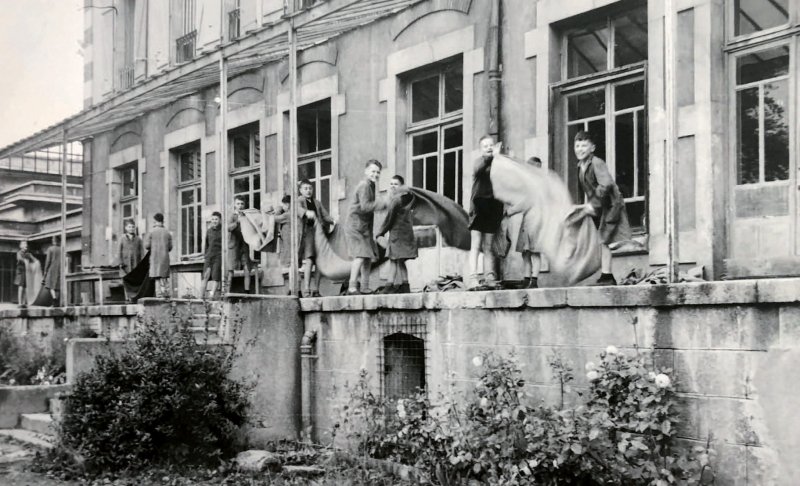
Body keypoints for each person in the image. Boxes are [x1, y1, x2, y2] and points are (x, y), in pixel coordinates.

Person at [572, 131, 631, 285]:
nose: (580, 149)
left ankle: (607, 275)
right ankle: (606, 275)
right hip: (600, 206)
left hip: (611, 205)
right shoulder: (580, 166)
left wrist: (593, 204)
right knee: (601, 240)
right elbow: (588, 189)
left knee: (604, 239)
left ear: (592, 148)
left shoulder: (597, 162)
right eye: (577, 146)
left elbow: (606, 184)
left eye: (584, 146)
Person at [345, 159, 387, 295]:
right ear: (366, 171)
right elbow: (365, 206)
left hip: (363, 227)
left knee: (367, 257)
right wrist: (383, 204)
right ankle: (352, 287)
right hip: (356, 226)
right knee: (360, 255)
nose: (375, 174)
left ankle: (364, 287)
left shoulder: (371, 185)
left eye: (378, 172)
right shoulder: (364, 185)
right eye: (372, 171)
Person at [468, 134, 504, 290]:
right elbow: (479, 169)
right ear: (480, 149)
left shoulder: (499, 164)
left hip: (493, 207)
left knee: (489, 246)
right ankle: (472, 277)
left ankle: (489, 276)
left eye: (491, 145)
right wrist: (493, 157)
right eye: (485, 146)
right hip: (479, 206)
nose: (489, 147)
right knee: (476, 244)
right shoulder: (479, 162)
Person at [376, 175, 417, 294]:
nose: (393, 186)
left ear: (401, 186)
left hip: (397, 234)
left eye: (396, 184)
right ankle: (405, 285)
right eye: (391, 184)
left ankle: (389, 286)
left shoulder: (396, 199)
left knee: (394, 259)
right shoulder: (407, 198)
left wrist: (380, 232)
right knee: (400, 260)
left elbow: (389, 219)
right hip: (405, 233)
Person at [297, 179, 334, 298]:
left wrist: (333, 220)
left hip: (319, 233)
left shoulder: (317, 202)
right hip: (307, 233)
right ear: (301, 190)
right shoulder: (299, 200)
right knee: (309, 260)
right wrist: (307, 212)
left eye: (310, 188)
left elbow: (325, 215)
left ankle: (316, 290)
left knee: (319, 262)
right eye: (306, 188)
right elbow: (298, 210)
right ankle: (306, 290)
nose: (308, 191)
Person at [516, 157, 543, 289]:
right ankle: (527, 279)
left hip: (536, 221)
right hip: (526, 221)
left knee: (535, 251)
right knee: (525, 252)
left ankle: (534, 279)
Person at [227, 196, 252, 294]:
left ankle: (247, 291)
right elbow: (228, 228)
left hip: (244, 244)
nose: (240, 206)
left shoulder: (247, 215)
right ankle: (227, 292)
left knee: (247, 267)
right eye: (238, 204)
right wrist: (237, 222)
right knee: (230, 269)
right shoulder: (232, 215)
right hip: (233, 245)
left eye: (242, 204)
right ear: (234, 204)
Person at [144, 213, 173, 298]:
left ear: (156, 221)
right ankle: (166, 293)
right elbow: (170, 247)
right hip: (164, 258)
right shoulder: (167, 233)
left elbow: (147, 246)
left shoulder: (151, 232)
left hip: (155, 258)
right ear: (162, 221)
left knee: (156, 277)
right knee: (164, 277)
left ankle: (159, 295)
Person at [201, 211, 223, 300]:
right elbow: (206, 244)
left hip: (218, 256)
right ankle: (201, 297)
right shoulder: (209, 231)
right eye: (213, 219)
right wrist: (206, 255)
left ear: (220, 220)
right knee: (205, 276)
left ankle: (211, 296)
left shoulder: (223, 231)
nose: (214, 221)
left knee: (215, 276)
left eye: (216, 219)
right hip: (209, 257)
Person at [14, 240, 35, 307]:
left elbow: (33, 260)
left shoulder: (28, 254)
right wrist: (26, 261)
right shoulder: (19, 253)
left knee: (26, 287)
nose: (25, 245)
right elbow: (20, 259)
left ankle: (24, 302)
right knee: (21, 286)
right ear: (20, 246)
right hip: (20, 271)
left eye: (26, 244)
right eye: (23, 244)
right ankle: (20, 303)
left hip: (26, 272)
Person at [42, 235, 62, 303]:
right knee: (58, 286)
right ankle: (57, 300)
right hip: (60, 269)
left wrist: (45, 271)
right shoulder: (62, 249)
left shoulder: (50, 249)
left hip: (52, 269)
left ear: (53, 240)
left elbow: (48, 261)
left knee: (51, 286)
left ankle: (54, 299)